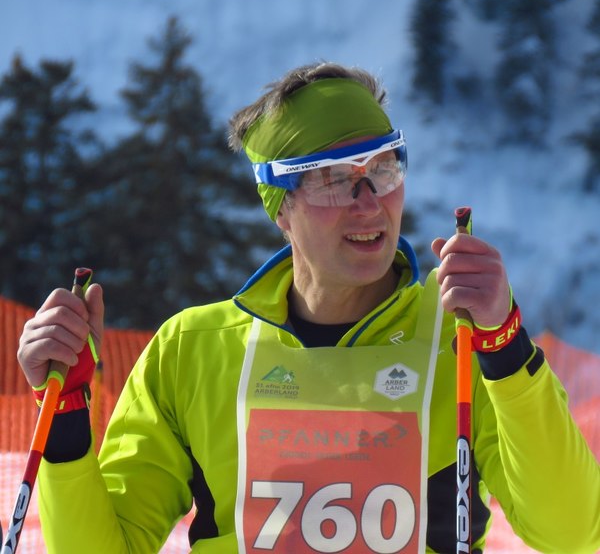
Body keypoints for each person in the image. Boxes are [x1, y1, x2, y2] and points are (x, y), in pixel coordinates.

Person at [16, 61, 600, 554]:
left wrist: (504, 343)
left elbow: (571, 532)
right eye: (332, 180)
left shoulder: (462, 338)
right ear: (281, 208)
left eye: (383, 169)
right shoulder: (192, 351)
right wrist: (62, 415)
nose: (368, 202)